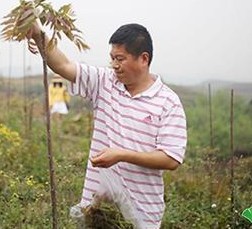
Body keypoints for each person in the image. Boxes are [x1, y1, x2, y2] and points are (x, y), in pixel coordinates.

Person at [28, 22, 187, 228]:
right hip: (97, 207)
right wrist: (38, 33)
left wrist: (121, 155)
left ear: (143, 59)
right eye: (112, 58)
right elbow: (63, 65)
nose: (114, 65)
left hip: (143, 212)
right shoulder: (105, 83)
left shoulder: (167, 102)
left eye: (120, 59)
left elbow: (171, 158)